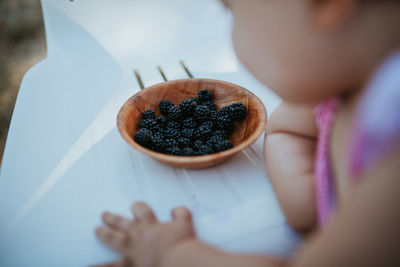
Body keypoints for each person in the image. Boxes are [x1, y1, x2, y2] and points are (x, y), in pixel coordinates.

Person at [93, 0, 400, 266]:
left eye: (231, 10)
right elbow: (286, 129)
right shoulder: (343, 90)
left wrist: (172, 254)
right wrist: (310, 199)